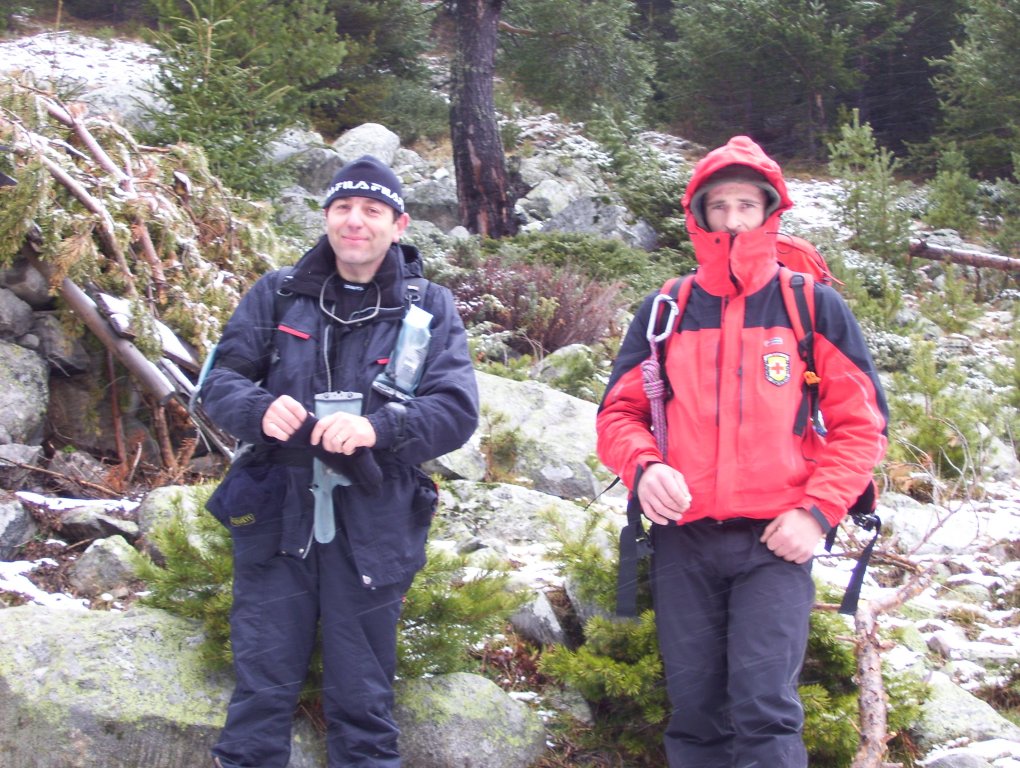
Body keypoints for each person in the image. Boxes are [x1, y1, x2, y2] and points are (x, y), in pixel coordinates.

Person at [596, 136, 888, 767]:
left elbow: (861, 425)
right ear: (698, 214)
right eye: (719, 205)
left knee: (765, 710)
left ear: (769, 213)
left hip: (776, 541)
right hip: (684, 538)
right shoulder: (666, 308)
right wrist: (644, 469)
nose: (732, 220)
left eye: (746, 205)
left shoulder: (810, 304)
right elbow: (618, 414)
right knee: (695, 714)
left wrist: (817, 513)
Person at [199, 155, 479, 768]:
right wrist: (258, 409)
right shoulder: (277, 293)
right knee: (261, 687)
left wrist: (378, 427)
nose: (356, 220)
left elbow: (456, 411)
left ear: (399, 225)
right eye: (343, 207)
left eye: (372, 210)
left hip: (377, 518)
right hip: (277, 509)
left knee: (363, 697)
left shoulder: (429, 306)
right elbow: (218, 382)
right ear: (326, 216)